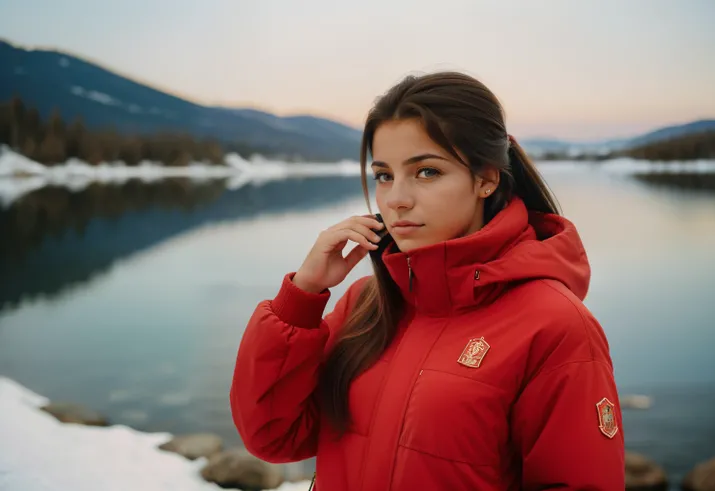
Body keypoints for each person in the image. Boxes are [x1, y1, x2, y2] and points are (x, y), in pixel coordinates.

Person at [230, 71, 625, 490]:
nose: (397, 198)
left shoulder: (554, 325)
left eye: (426, 172)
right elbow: (274, 437)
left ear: (486, 179)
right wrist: (302, 298)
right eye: (384, 175)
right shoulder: (367, 304)